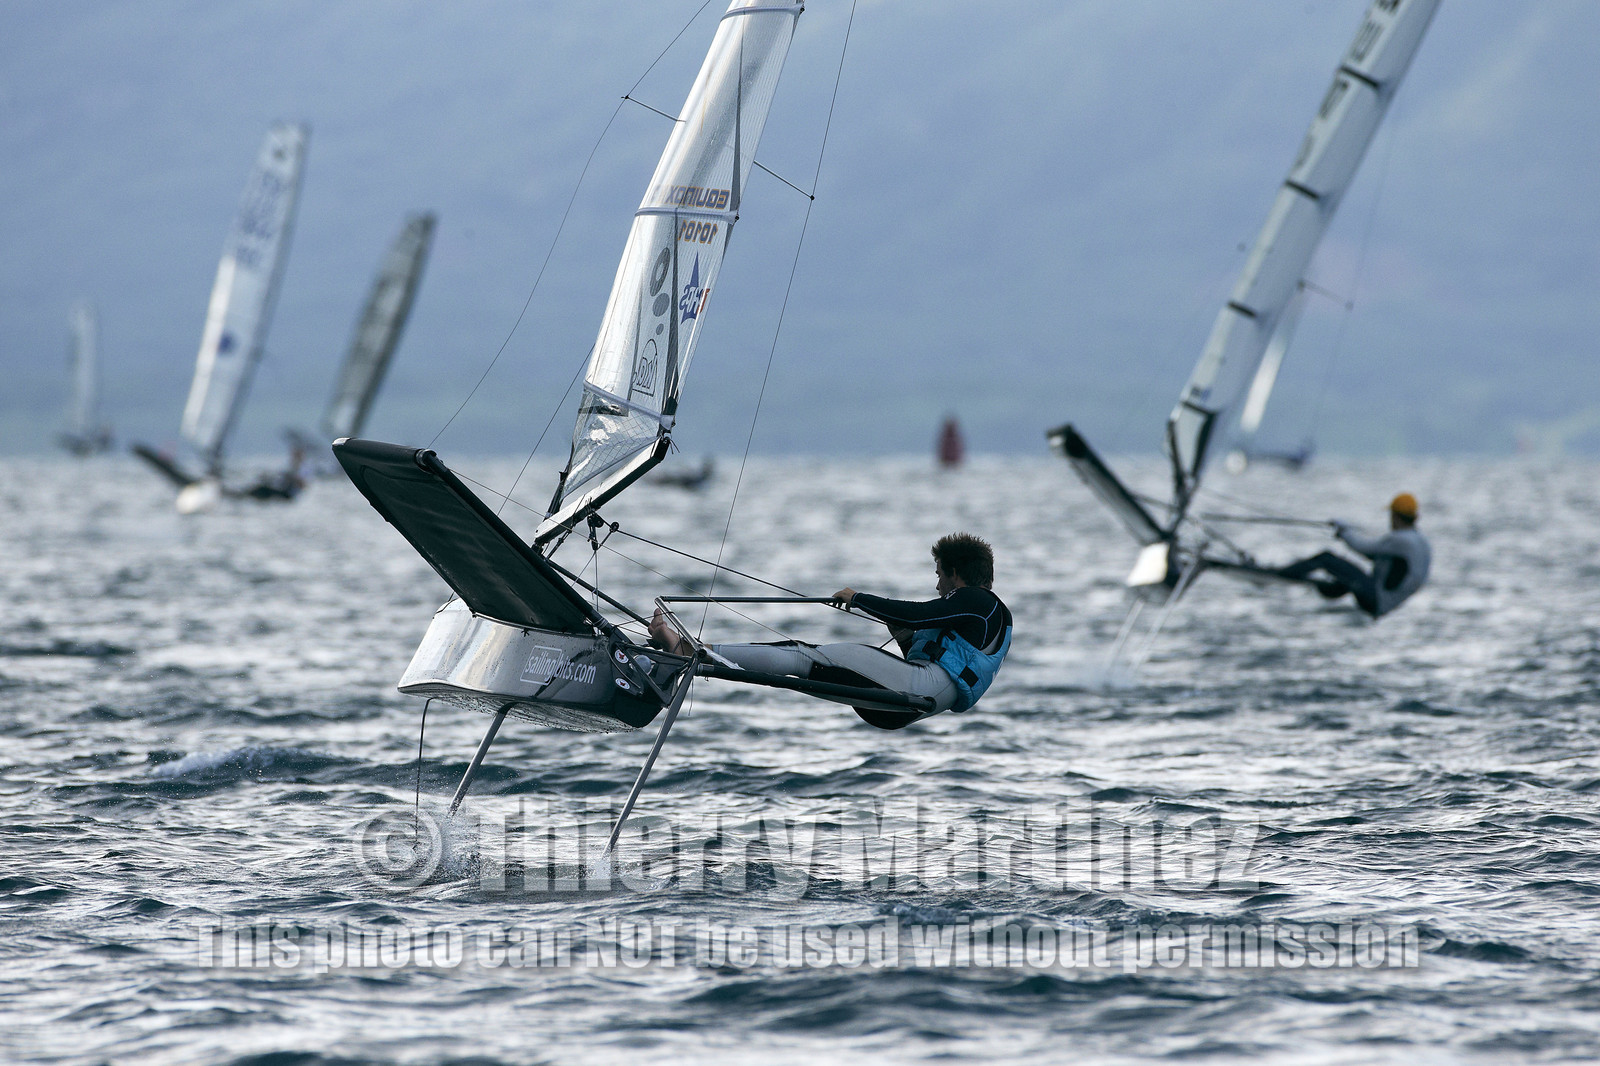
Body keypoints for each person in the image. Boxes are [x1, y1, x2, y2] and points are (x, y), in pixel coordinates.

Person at [648, 532, 1013, 726]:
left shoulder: (980, 602)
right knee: (810, 668)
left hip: (914, 691)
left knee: (803, 655)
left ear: (956, 574)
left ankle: (688, 651)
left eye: (939, 576)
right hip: (908, 704)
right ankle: (697, 657)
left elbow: (919, 614)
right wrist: (903, 636)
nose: (937, 586)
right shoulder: (981, 618)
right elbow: (922, 643)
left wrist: (858, 598)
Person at [1275, 492, 1431, 618]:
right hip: (1384, 601)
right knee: (1344, 577)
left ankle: (1281, 574)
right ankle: (1316, 582)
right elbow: (1379, 558)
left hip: (1376, 598)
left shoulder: (1402, 540)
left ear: (1395, 516)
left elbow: (1362, 547)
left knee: (1326, 558)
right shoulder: (1421, 542)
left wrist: (1344, 531)